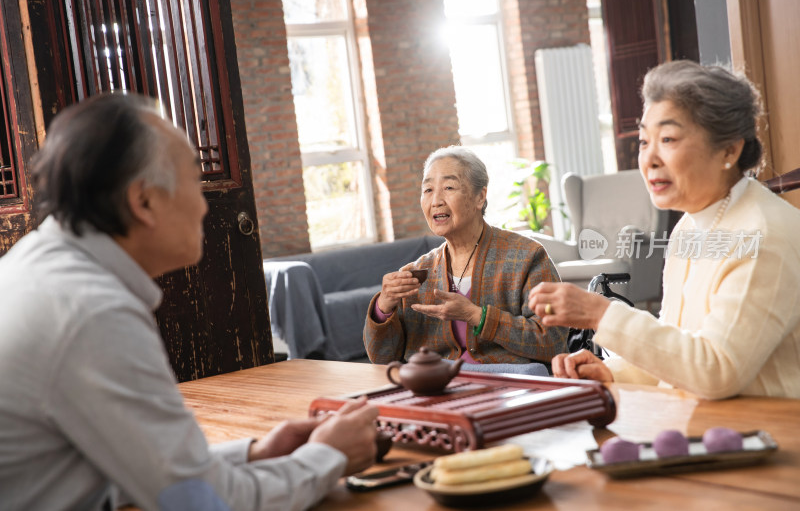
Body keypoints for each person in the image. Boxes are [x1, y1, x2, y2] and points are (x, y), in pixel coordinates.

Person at [0, 93, 379, 511]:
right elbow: (201, 502)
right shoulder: (91, 312)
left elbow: (110, 474)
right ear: (143, 201)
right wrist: (330, 456)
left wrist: (252, 453)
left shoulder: (36, 268)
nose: (203, 203)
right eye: (193, 180)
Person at [528, 60, 800, 400]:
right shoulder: (689, 227)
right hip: (709, 434)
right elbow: (678, 346)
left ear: (729, 149)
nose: (649, 159)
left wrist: (600, 313)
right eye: (644, 141)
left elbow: (716, 370)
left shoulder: (764, 234)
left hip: (772, 441)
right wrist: (612, 373)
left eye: (668, 138)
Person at [364, 146, 568, 368]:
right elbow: (381, 359)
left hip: (510, 390)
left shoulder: (527, 257)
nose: (436, 201)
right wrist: (383, 307)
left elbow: (552, 341)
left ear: (480, 197)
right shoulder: (417, 273)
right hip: (438, 390)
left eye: (449, 187)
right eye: (428, 190)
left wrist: (478, 317)